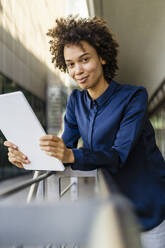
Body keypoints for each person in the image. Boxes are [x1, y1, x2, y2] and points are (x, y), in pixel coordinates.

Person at [4, 16, 165, 248]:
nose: (77, 70)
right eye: (70, 64)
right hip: (112, 207)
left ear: (102, 57)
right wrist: (26, 157)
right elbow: (62, 149)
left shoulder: (133, 97)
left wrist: (71, 155)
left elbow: (118, 155)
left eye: (84, 59)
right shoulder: (76, 101)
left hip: (150, 207)